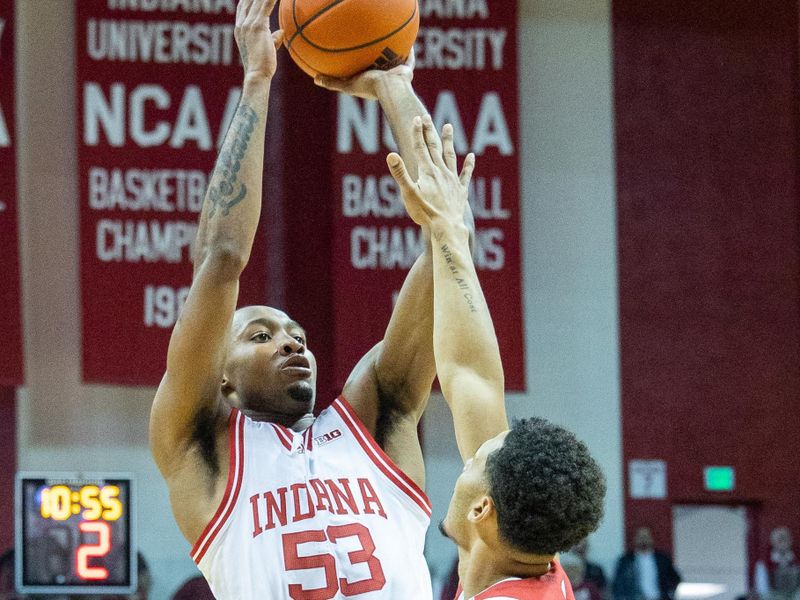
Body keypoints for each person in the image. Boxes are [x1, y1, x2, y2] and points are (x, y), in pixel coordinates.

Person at [150, 1, 451, 598]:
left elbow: (449, 239)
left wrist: (396, 88)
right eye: (259, 335)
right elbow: (219, 261)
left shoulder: (376, 416)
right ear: (222, 382)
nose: (289, 341)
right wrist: (257, 81)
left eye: (297, 336)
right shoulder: (201, 448)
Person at [387, 116, 607, 598]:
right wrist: (447, 231)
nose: (470, 453)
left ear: (482, 510)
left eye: (472, 462)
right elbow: (470, 373)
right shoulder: (531, 559)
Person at [612, 527, 681, 600]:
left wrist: (670, 593)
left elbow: (675, 578)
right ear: (635, 539)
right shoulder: (625, 561)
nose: (643, 540)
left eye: (645, 537)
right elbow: (617, 583)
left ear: (651, 539)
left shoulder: (662, 560)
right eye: (640, 537)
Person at [754, 527, 800, 600]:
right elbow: (762, 589)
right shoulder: (763, 563)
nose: (783, 542)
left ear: (791, 541)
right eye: (779, 540)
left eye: (785, 539)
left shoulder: (797, 559)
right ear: (773, 542)